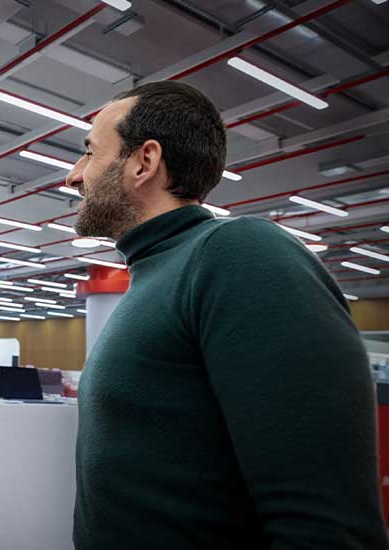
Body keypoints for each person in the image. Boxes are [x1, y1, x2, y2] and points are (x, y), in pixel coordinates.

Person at [65, 81, 386, 549]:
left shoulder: (237, 254)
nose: (74, 176)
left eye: (89, 153)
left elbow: (325, 526)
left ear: (144, 162)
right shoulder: (158, 274)